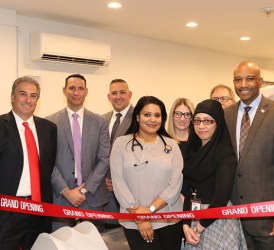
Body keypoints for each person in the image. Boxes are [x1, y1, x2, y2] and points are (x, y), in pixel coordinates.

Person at [224, 61, 274, 250]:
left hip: (270, 222)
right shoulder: (226, 115)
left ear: (260, 81)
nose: (243, 84)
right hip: (234, 219)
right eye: (238, 79)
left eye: (249, 79)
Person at [110, 96, 183, 250]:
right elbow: (119, 183)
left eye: (157, 115)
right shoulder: (121, 144)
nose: (152, 120)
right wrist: (141, 218)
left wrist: (149, 211)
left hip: (168, 220)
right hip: (135, 222)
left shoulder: (171, 145)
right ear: (137, 116)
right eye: (147, 114)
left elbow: (175, 184)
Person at [47, 74, 110, 231]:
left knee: (94, 244)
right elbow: (47, 161)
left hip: (92, 196)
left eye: (80, 88)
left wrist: (83, 189)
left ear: (86, 91)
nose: (76, 92)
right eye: (72, 88)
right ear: (64, 90)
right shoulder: (49, 123)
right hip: (61, 196)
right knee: (59, 244)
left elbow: (104, 159)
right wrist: (66, 191)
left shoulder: (100, 122)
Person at [0, 76, 57, 249]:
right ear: (12, 97)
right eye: (23, 94)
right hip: (7, 213)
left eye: (33, 96)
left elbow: (49, 168)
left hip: (39, 211)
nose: (28, 100)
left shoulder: (49, 129)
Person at [182, 99, 247, 249]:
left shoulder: (225, 155)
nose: (201, 126)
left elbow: (221, 198)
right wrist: (186, 225)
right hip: (194, 218)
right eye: (197, 121)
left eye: (207, 121)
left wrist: (198, 228)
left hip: (217, 220)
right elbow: (189, 192)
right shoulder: (192, 152)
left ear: (218, 123)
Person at [102, 78, 134, 229]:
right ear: (108, 97)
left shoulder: (139, 119)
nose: (118, 96)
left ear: (130, 95)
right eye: (114, 93)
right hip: (103, 192)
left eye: (122, 92)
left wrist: (118, 183)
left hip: (130, 192)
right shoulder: (101, 119)